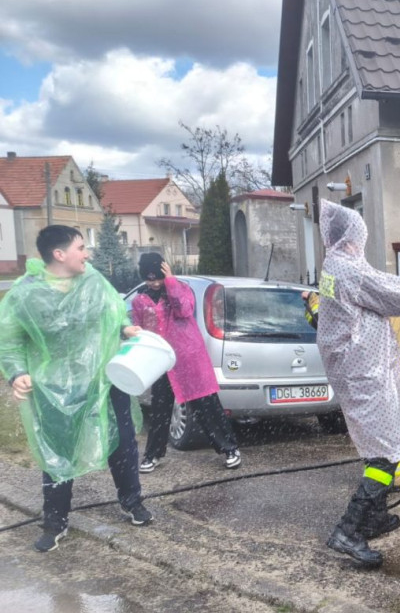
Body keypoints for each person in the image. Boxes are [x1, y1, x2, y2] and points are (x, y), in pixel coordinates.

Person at [0, 225, 152, 552]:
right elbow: (9, 342)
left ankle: (131, 501)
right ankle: (55, 522)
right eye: (81, 248)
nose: (87, 254)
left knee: (122, 442)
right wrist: (16, 374)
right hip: (55, 387)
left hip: (104, 378)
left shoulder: (93, 281)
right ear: (59, 254)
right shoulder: (25, 295)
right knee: (57, 452)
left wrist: (126, 328)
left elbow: (114, 311)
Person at [316, 201, 400, 569]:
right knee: (384, 452)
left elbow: (379, 284)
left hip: (361, 369)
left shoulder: (337, 266)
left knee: (379, 443)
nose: (360, 243)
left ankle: (374, 517)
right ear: (351, 238)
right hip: (363, 373)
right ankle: (349, 530)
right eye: (358, 237)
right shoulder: (346, 267)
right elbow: (391, 295)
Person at [131, 253, 240, 472]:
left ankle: (229, 448)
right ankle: (153, 454)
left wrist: (170, 281)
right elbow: (138, 327)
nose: (153, 283)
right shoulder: (140, 299)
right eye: (148, 279)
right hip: (162, 362)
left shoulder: (180, 288)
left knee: (206, 406)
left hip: (188, 359)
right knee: (160, 410)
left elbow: (184, 309)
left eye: (157, 277)